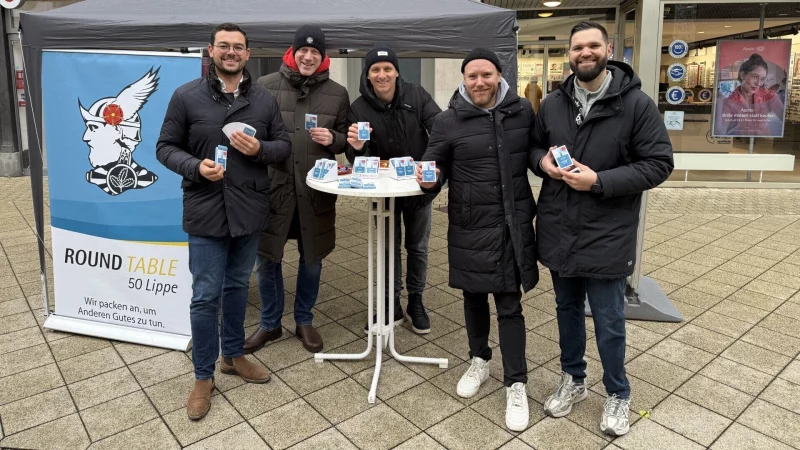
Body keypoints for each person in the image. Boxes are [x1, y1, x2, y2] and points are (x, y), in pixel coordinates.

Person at [530, 21, 673, 436]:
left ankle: (618, 392)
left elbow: (659, 164)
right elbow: (534, 147)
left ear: (609, 51)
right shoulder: (553, 103)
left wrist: (600, 181)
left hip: (608, 230)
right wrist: (542, 163)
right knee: (567, 311)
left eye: (593, 45)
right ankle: (574, 378)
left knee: (609, 319)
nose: (585, 53)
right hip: (560, 228)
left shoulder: (637, 105)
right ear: (569, 54)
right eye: (578, 47)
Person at [156, 23, 291, 421]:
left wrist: (260, 148)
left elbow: (283, 146)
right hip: (206, 209)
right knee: (204, 295)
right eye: (224, 46)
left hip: (249, 209)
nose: (231, 53)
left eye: (238, 47)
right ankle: (203, 375)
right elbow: (165, 147)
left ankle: (232, 356)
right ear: (211, 51)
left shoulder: (264, 99)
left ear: (248, 54)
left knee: (236, 286)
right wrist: (195, 167)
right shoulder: (186, 96)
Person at [417, 48, 539, 432]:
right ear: (464, 79)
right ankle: (479, 360)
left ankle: (516, 383)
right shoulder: (447, 120)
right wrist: (427, 180)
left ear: (499, 76)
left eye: (486, 75)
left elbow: (535, 153)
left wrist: (548, 164)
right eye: (472, 76)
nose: (480, 82)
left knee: (509, 303)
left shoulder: (522, 112)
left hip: (510, 224)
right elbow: (434, 165)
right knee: (473, 296)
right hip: (469, 226)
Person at [243, 25, 350, 354]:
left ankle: (304, 319)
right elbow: (253, 134)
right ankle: (270, 323)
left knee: (312, 259)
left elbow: (347, 139)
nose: (308, 56)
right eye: (303, 50)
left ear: (323, 56)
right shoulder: (265, 86)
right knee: (267, 258)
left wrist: (334, 139)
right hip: (274, 189)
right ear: (292, 52)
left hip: (315, 192)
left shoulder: (337, 93)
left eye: (315, 52)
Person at [346, 44, 441, 335]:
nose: (382, 74)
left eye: (388, 68)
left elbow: (440, 131)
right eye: (375, 69)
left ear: (397, 72)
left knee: (418, 247)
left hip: (418, 190)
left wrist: (429, 167)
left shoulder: (417, 95)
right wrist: (357, 148)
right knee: (388, 248)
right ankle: (390, 304)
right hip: (383, 193)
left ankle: (416, 301)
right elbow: (356, 160)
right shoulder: (358, 108)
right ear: (367, 74)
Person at [715, 53, 785, 136]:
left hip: (764, 141)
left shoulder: (769, 96)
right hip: (741, 142)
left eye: (762, 79)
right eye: (755, 77)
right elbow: (720, 132)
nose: (758, 83)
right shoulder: (730, 101)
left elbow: (784, 118)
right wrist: (718, 104)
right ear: (742, 75)